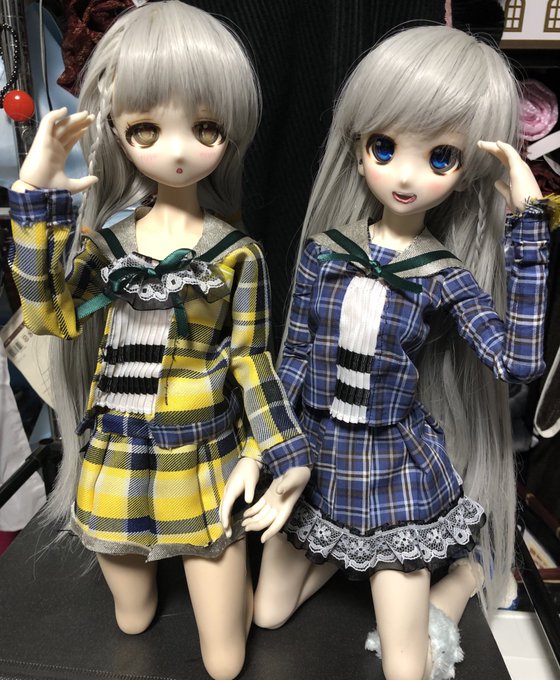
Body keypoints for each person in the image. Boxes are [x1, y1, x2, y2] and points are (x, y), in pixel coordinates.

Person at [228, 25, 550, 680]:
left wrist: (528, 226)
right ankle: (350, 556)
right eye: (384, 147)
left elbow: (515, 362)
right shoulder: (326, 252)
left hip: (390, 471)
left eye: (440, 157)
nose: (405, 175)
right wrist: (266, 451)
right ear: (357, 149)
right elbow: (292, 361)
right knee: (266, 614)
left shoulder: (443, 274)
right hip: (317, 461)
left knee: (406, 669)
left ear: (465, 173)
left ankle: (459, 579)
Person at [7, 3, 310, 679]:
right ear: (117, 130)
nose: (177, 150)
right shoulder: (106, 245)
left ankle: (253, 584)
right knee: (132, 618)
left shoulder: (236, 255)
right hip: (115, 453)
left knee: (226, 661)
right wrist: (33, 196)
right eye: (147, 128)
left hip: (201, 457)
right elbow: (49, 316)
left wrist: (277, 453)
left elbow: (252, 359)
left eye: (205, 128)